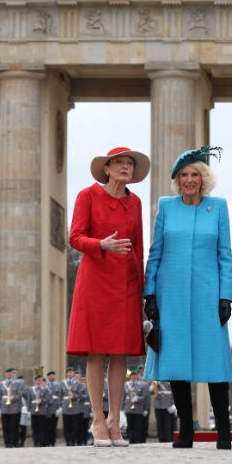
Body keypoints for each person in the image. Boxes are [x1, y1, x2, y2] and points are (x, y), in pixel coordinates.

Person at [143, 146, 232, 450]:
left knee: (214, 365)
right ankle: (186, 431)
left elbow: (225, 255)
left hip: (209, 295)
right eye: (184, 175)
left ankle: (223, 430)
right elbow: (155, 253)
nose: (189, 180)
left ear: (203, 178)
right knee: (177, 363)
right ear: (177, 180)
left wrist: (226, 296)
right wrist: (150, 293)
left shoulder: (218, 207)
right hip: (173, 296)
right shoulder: (166, 207)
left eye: (195, 174)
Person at [67, 146, 150, 447]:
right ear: (107, 168)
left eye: (129, 164)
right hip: (96, 280)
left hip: (126, 284)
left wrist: (143, 288)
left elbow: (138, 246)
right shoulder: (87, 196)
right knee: (96, 351)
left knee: (121, 352)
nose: (125, 167)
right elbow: (75, 237)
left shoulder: (136, 202)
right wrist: (101, 244)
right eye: (120, 163)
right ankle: (98, 420)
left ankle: (116, 420)